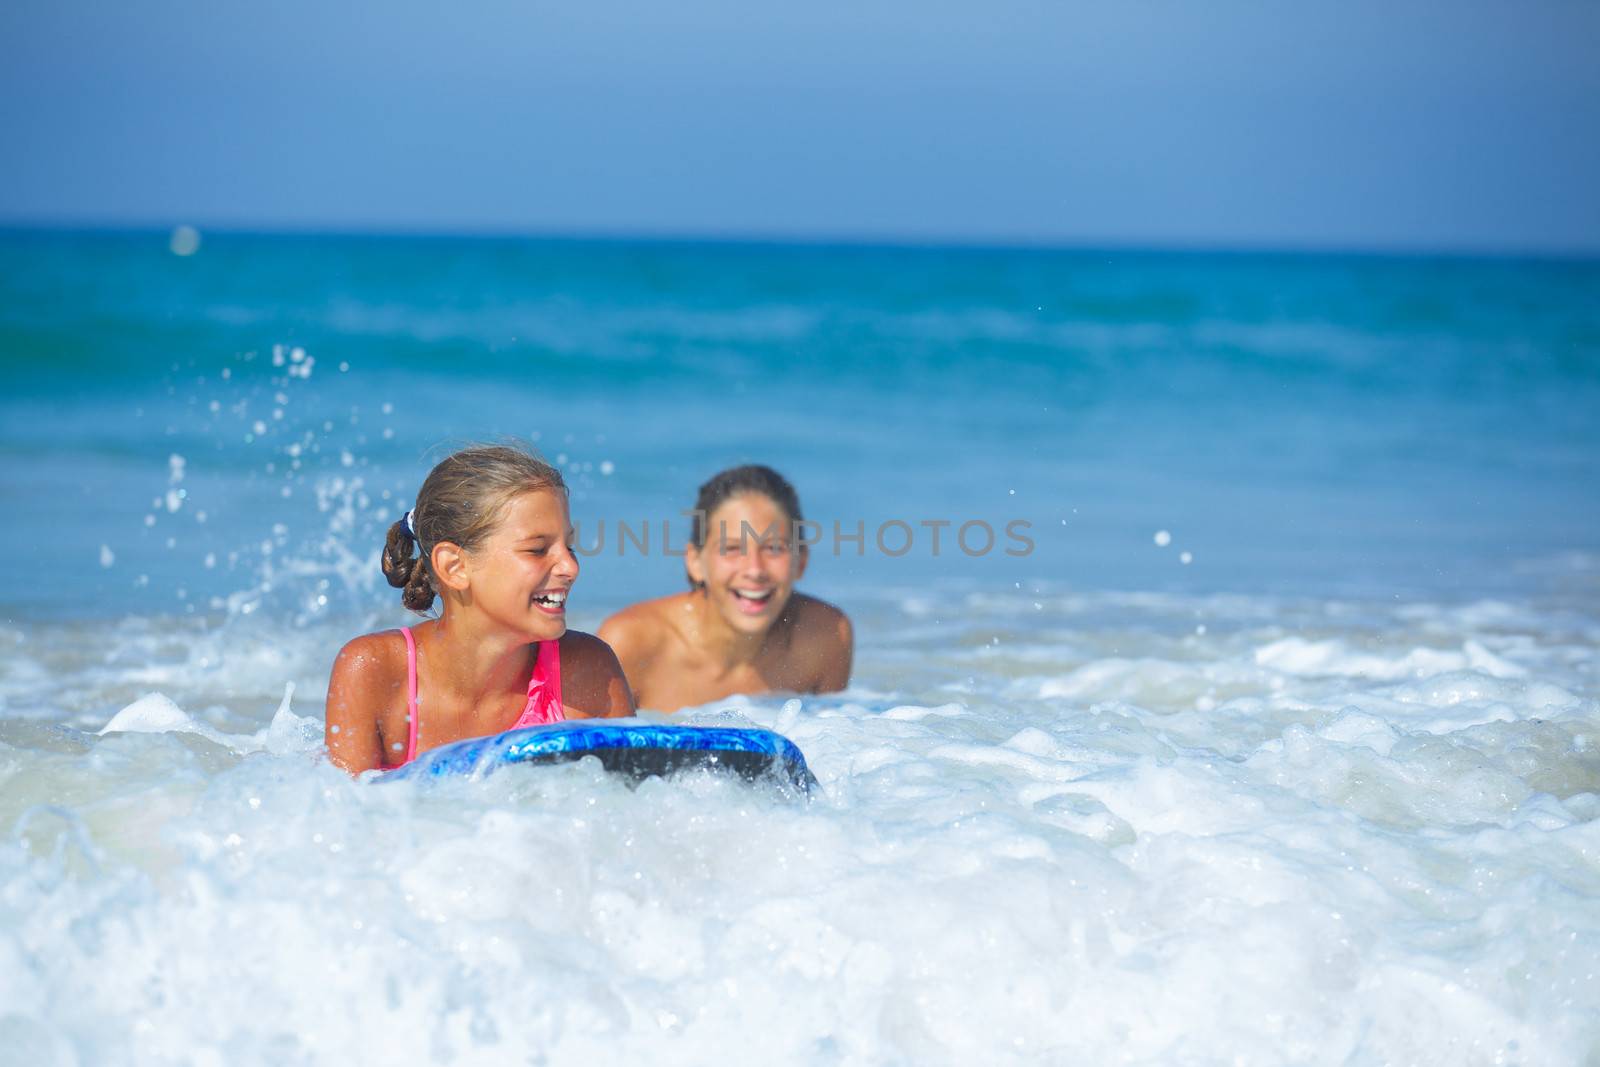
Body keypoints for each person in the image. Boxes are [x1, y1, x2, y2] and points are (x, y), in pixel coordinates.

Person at [325, 444, 633, 773]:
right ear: (454, 566)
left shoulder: (586, 672)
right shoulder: (376, 672)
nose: (570, 566)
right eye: (537, 549)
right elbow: (342, 817)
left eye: (568, 546)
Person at [599, 464, 852, 712]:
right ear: (695, 561)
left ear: (801, 561)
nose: (755, 570)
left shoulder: (825, 638)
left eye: (774, 548)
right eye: (731, 549)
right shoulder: (632, 644)